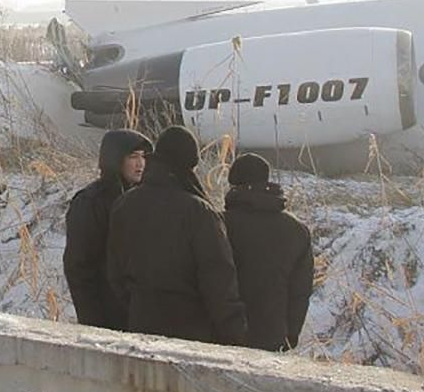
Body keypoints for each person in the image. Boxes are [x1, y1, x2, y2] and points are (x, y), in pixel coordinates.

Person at [107, 125, 246, 345]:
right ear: (189, 164)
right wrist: (234, 334)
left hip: (140, 324)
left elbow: (115, 272)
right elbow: (219, 280)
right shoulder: (199, 212)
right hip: (191, 330)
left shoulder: (125, 204)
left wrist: (136, 306)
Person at [63, 129, 153, 330]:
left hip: (140, 313)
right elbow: (79, 266)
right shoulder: (91, 202)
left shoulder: (143, 198)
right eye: (133, 157)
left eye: (143, 157)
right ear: (116, 159)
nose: (140, 164)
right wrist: (93, 321)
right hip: (107, 312)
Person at [224, 153, 314, 351]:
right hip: (273, 336)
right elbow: (300, 291)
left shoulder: (220, 225)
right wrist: (290, 335)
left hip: (223, 335)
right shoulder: (296, 230)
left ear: (234, 185)